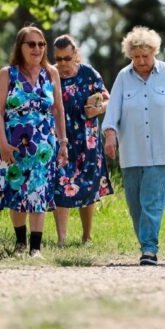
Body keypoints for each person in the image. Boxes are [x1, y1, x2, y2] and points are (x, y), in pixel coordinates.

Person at [102, 27, 165, 266]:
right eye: (136, 57)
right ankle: (146, 243)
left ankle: (149, 249)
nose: (141, 62)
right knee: (135, 205)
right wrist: (110, 135)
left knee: (152, 202)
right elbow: (112, 112)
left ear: (154, 52)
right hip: (132, 152)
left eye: (146, 56)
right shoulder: (123, 77)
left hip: (163, 151)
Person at [0, 26, 67, 258]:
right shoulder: (8, 73)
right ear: (20, 47)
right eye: (31, 44)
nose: (37, 49)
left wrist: (63, 143)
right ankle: (20, 243)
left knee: (38, 193)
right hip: (14, 145)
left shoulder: (51, 73)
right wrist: (2, 143)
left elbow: (58, 109)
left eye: (41, 44)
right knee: (16, 193)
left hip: (43, 146)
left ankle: (35, 248)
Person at [52, 34, 114, 247]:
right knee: (61, 185)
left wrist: (98, 108)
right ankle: (61, 239)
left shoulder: (88, 73)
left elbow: (108, 99)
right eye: (58, 59)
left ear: (75, 55)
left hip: (87, 140)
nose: (62, 64)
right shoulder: (50, 74)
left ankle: (87, 236)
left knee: (88, 186)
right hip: (61, 139)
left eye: (67, 58)